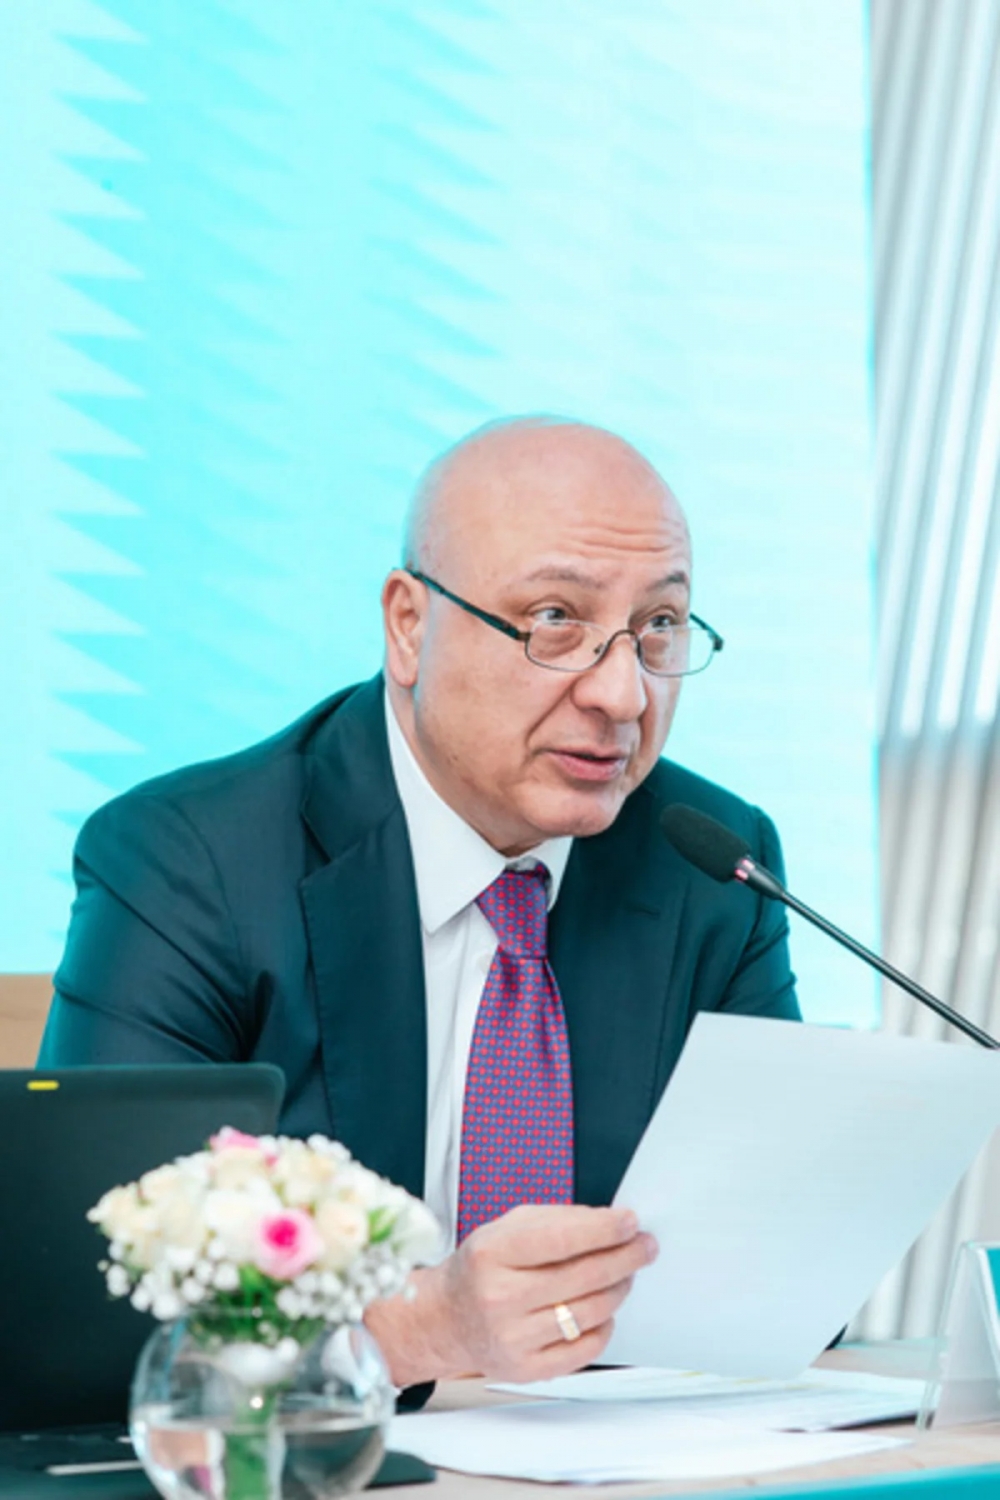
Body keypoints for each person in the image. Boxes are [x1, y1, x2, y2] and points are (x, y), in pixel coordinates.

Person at [39, 416, 800, 1389]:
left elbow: (778, 1268)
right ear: (409, 625)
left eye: (659, 626)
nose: (623, 695)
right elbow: (95, 1298)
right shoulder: (192, 864)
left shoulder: (714, 864)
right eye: (555, 619)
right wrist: (412, 1335)